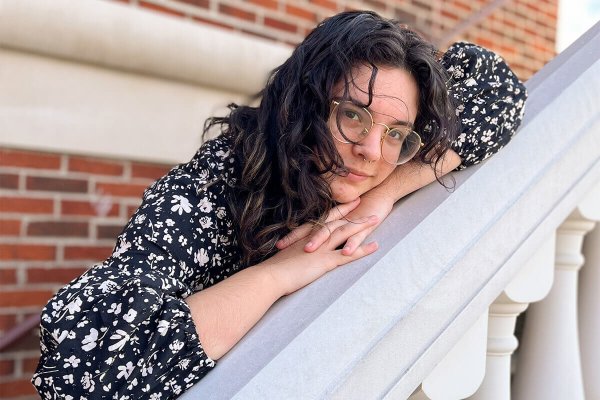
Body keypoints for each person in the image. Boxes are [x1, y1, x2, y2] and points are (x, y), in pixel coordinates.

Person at [32, 10, 527, 399]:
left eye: (396, 133)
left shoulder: (372, 176)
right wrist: (278, 274)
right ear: (302, 105)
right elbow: (88, 367)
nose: (373, 151)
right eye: (353, 116)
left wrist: (384, 194)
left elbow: (497, 90)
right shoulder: (206, 191)